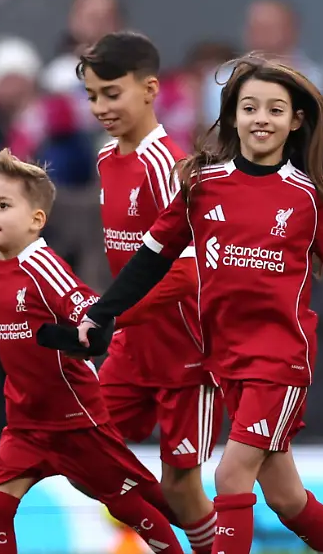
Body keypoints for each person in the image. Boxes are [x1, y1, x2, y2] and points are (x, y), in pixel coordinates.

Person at [69, 55, 323, 554]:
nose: (262, 118)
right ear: (232, 116)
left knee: (231, 473)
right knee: (285, 496)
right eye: (250, 107)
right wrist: (102, 313)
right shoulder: (201, 184)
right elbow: (151, 259)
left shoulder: (308, 199)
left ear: (295, 121)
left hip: (278, 361)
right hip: (224, 361)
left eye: (275, 110)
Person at [0, 149, 184, 554]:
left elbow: (86, 308)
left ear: (37, 220)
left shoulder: (42, 265)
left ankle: (198, 537)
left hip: (74, 420)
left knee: (128, 504)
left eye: (2, 205)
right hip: (26, 420)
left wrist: (83, 332)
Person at [81, 31, 221, 554]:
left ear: (149, 89)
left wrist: (113, 313)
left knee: (183, 484)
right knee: (86, 453)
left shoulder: (168, 165)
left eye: (111, 93)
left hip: (185, 352)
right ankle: (176, 542)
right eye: (92, 96)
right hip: (131, 348)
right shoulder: (105, 159)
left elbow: (188, 274)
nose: (101, 107)